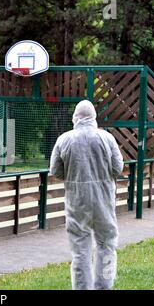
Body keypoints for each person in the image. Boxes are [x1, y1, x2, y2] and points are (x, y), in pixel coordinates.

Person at [49, 100, 124, 290]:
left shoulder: (64, 139)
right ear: (94, 117)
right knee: (106, 244)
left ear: (75, 117)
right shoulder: (107, 138)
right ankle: (104, 285)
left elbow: (55, 170)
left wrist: (73, 175)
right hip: (103, 200)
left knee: (80, 249)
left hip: (77, 201)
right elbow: (118, 168)